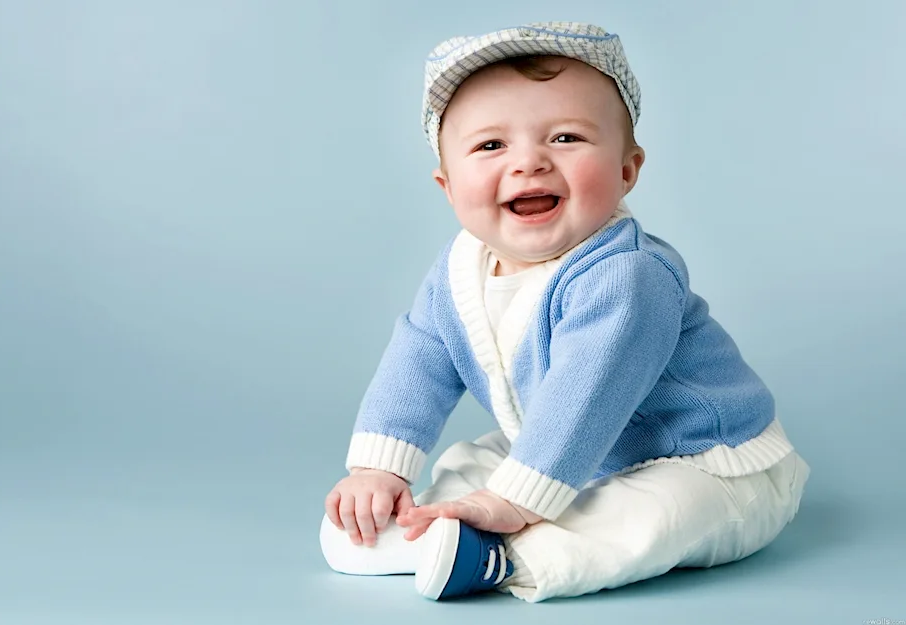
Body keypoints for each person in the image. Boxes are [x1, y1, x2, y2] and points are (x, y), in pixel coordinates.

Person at [319, 22, 809, 603]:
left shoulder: (627, 274)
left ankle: (504, 556)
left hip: (710, 462)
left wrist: (512, 501)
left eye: (567, 138)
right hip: (572, 448)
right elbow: (419, 358)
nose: (529, 163)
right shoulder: (459, 270)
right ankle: (420, 526)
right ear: (448, 187)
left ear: (627, 170)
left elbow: (587, 392)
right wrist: (380, 470)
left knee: (660, 514)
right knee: (469, 460)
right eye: (490, 145)